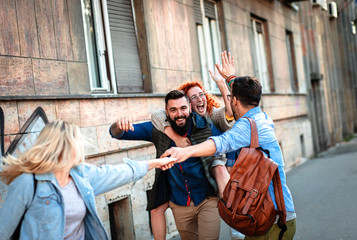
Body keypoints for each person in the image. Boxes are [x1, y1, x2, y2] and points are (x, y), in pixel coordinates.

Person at [161, 75, 297, 239]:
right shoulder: (261, 117)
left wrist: (186, 151)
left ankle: (234, 216)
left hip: (272, 219)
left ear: (235, 101)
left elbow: (220, 143)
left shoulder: (246, 126)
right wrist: (230, 78)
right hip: (266, 215)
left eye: (231, 97)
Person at [0, 120, 176, 240]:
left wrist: (157, 163)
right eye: (77, 141)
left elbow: (119, 172)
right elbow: (4, 229)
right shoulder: (28, 182)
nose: (81, 146)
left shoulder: (81, 175)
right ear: (65, 146)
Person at [110, 90, 225, 240]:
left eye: (183, 108)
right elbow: (117, 133)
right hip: (180, 204)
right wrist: (118, 126)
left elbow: (227, 143)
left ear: (190, 107)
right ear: (166, 112)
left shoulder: (206, 127)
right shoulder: (158, 130)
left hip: (207, 199)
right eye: (173, 110)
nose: (179, 114)